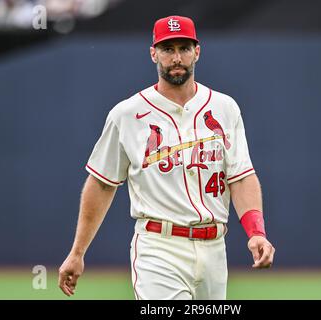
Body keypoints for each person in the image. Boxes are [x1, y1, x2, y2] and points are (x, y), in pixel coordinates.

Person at [58, 15, 275, 300]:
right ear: (153, 54)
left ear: (197, 51)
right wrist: (77, 252)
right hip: (159, 248)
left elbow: (241, 176)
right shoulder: (127, 114)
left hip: (214, 249)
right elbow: (101, 183)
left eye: (184, 48)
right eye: (167, 49)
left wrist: (256, 232)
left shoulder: (225, 108)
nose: (176, 57)